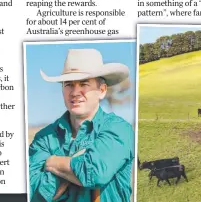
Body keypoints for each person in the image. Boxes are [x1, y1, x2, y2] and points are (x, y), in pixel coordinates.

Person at [29, 49, 134, 202]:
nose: (75, 92)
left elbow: (96, 173)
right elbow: (34, 193)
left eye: (84, 83)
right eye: (69, 85)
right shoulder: (44, 138)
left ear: (102, 90)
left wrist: (52, 163)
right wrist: (77, 170)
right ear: (62, 90)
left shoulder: (119, 129)